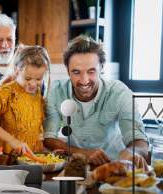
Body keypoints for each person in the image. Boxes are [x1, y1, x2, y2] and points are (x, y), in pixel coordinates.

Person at [43, 35, 148, 168]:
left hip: (115, 167)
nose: (84, 80)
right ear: (67, 70)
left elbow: (140, 141)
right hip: (76, 167)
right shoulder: (56, 91)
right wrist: (84, 153)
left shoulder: (120, 93)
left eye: (91, 72)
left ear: (102, 68)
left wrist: (131, 152)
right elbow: (49, 138)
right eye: (76, 72)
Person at [0, 45, 51, 156]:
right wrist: (12, 141)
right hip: (8, 160)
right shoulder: (7, 91)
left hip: (33, 158)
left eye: (38, 79)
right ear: (17, 71)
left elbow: (36, 131)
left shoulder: (38, 94)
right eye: (27, 78)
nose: (33, 84)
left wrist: (46, 151)